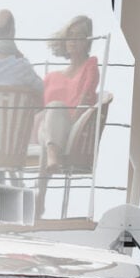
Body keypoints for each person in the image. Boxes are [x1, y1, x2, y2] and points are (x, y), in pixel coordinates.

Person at [38, 15, 100, 193]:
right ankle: (52, 157)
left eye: (79, 36)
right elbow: (39, 110)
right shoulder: (51, 78)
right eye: (70, 35)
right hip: (45, 130)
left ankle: (51, 159)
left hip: (73, 129)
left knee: (56, 106)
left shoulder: (90, 65)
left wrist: (73, 126)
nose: (73, 41)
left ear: (87, 42)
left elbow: (86, 96)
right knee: (52, 110)